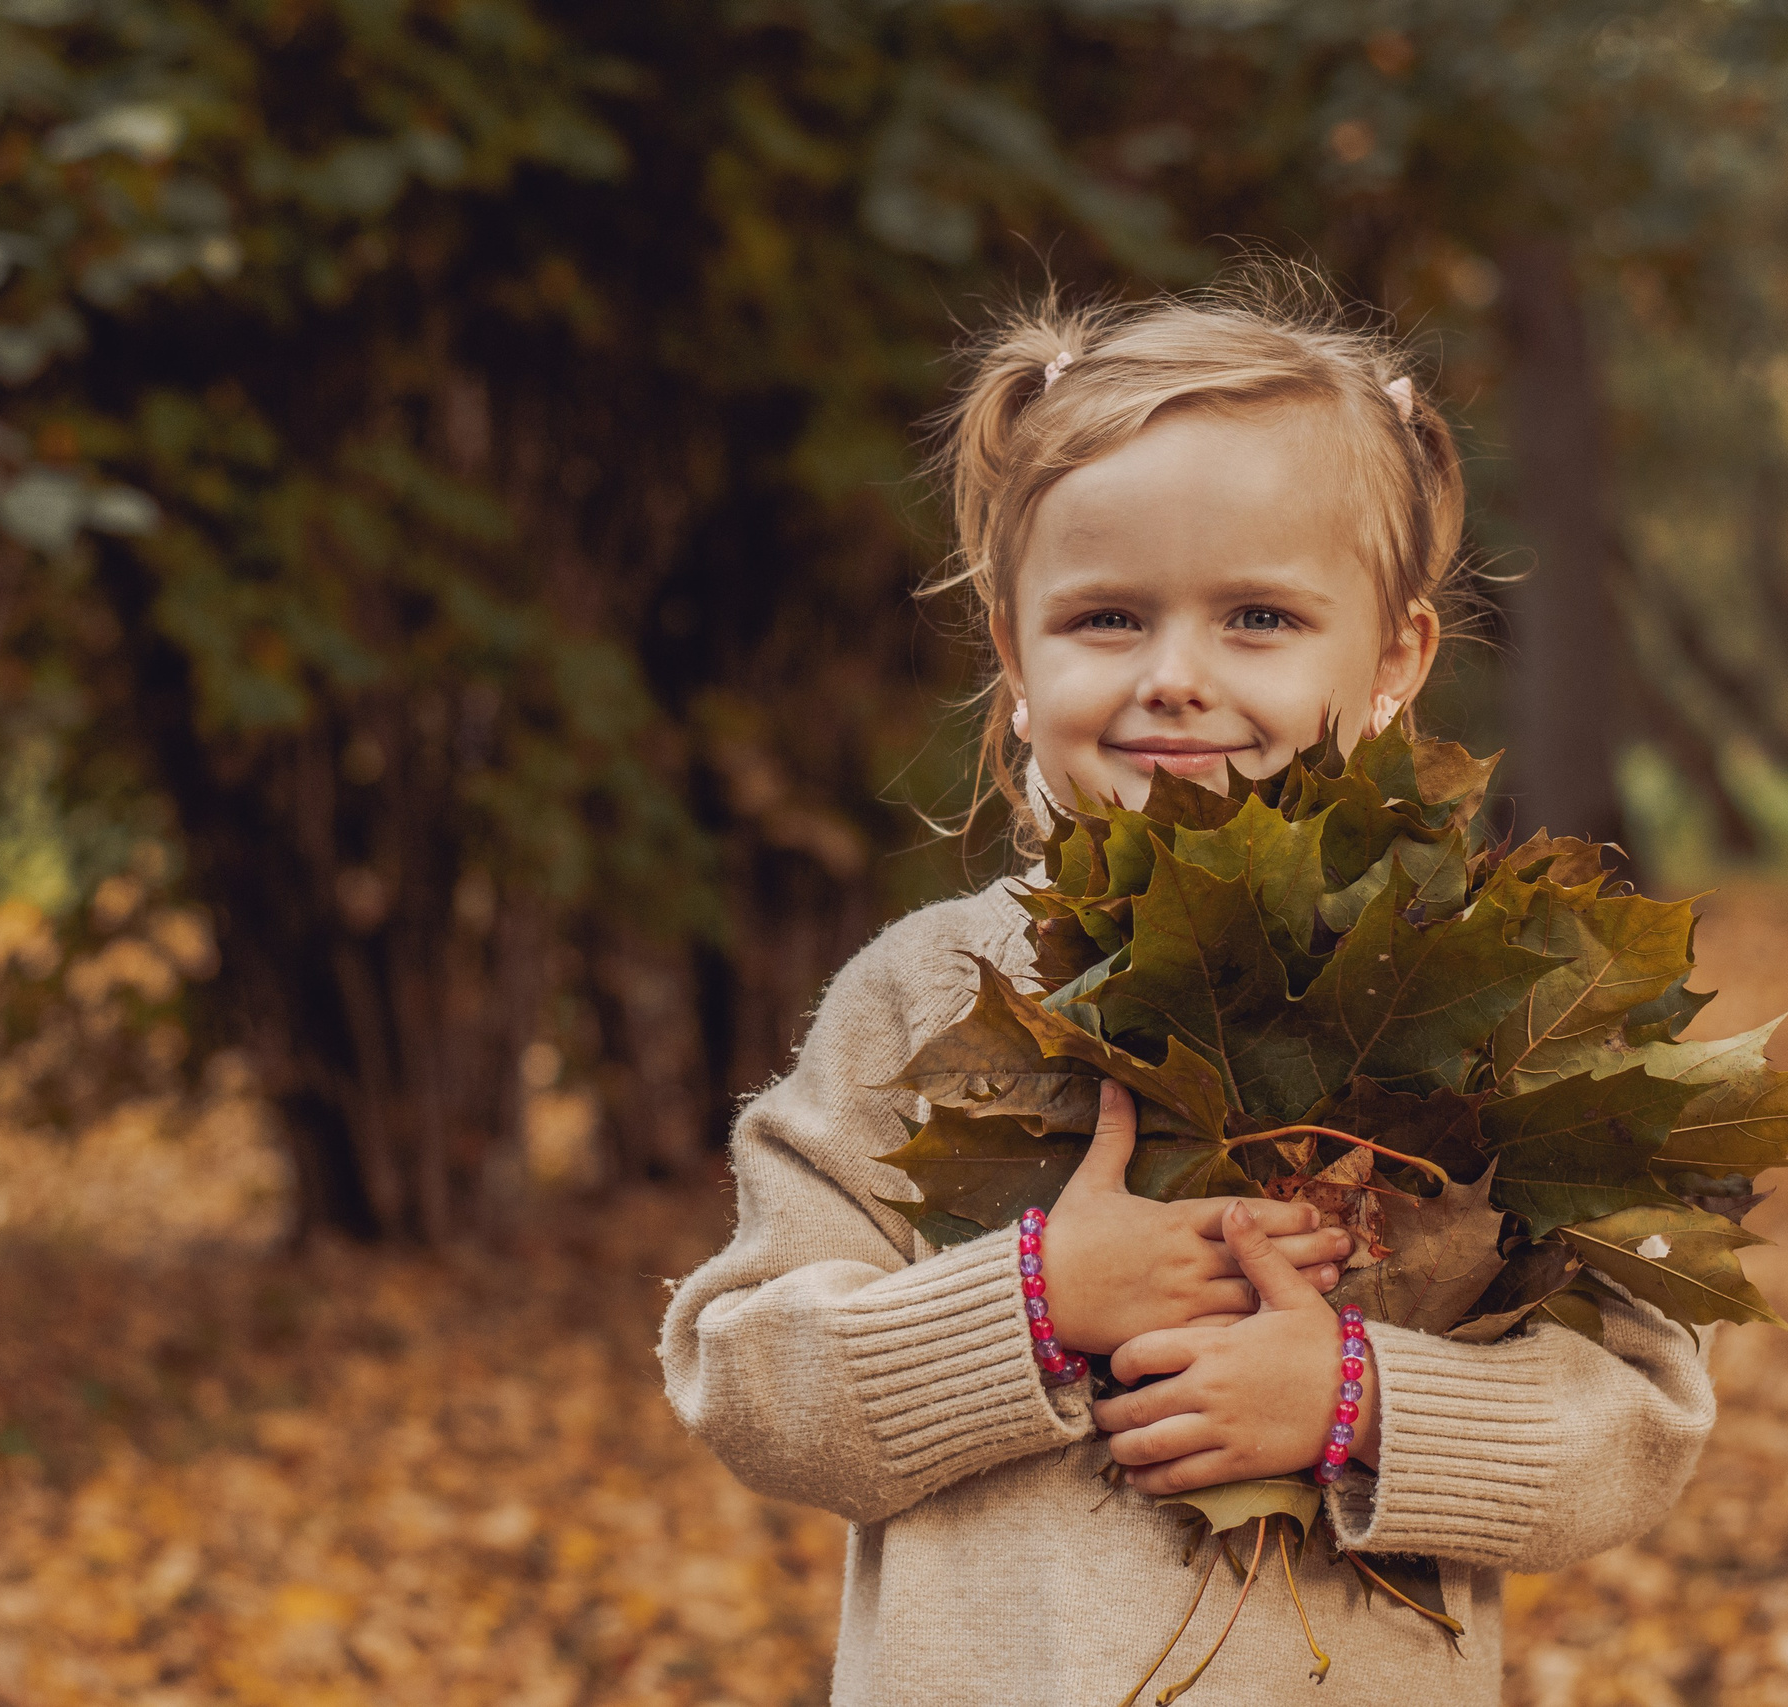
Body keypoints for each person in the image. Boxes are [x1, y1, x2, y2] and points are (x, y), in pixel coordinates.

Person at [657, 272, 1715, 1704]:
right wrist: (1029, 1303)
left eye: (1261, 619)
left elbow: (1636, 1414)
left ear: (1396, 654)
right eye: (1107, 618)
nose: (1176, 678)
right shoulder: (925, 999)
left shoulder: (1485, 1008)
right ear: (1012, 654)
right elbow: (747, 1382)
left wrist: (1358, 1399)